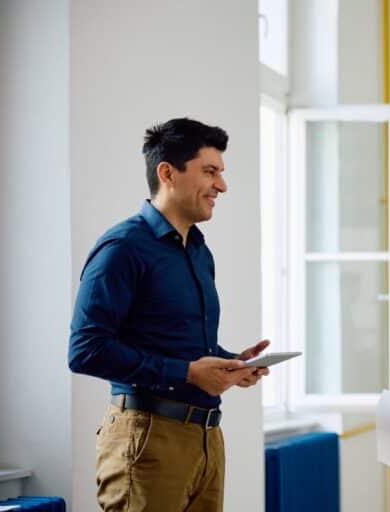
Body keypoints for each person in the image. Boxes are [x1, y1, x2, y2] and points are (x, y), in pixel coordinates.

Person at [69, 118, 270, 512]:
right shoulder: (122, 248)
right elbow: (85, 350)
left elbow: (183, 346)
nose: (222, 186)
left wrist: (230, 364)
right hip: (146, 440)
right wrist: (187, 373)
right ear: (168, 173)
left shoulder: (198, 250)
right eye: (209, 172)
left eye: (221, 173)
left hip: (206, 440)